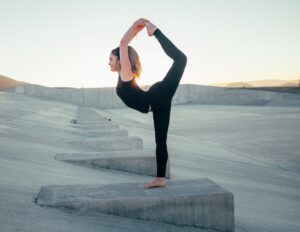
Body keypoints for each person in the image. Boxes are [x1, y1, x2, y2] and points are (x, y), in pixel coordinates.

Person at [108, 18, 187, 188]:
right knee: (161, 140)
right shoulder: (122, 77)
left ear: (121, 61)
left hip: (157, 96)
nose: (109, 62)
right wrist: (138, 29)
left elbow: (123, 43)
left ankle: (156, 31)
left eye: (111, 59)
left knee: (181, 59)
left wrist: (139, 23)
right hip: (157, 103)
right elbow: (125, 45)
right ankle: (160, 178)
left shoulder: (126, 73)